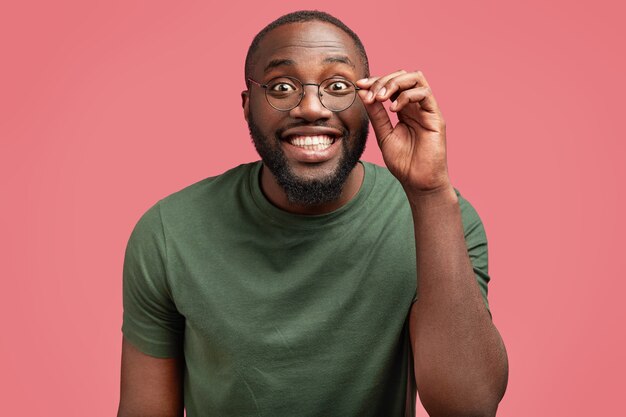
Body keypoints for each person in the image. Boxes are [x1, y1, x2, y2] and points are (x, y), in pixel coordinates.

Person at [117, 10, 508, 417]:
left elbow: (469, 407)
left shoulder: (440, 217)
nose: (310, 107)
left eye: (337, 85)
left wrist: (429, 193)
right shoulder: (170, 231)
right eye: (282, 87)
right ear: (248, 107)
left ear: (370, 100)